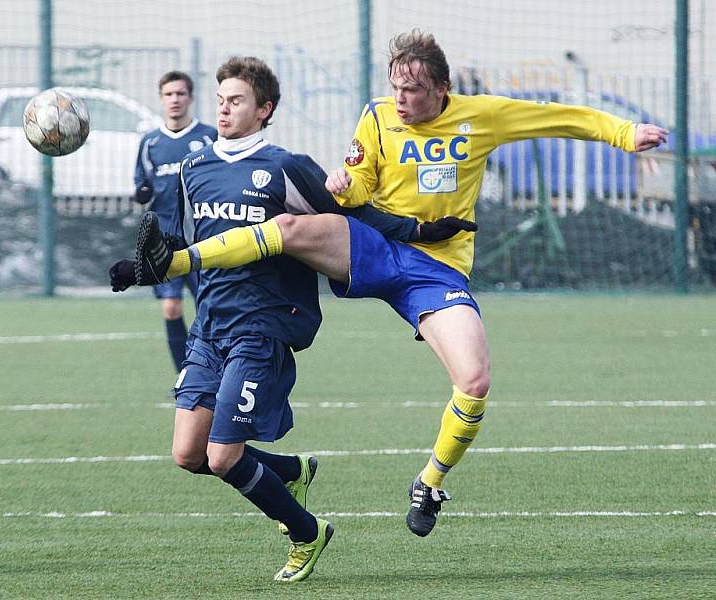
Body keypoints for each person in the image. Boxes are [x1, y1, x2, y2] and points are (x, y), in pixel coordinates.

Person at [128, 30, 669, 539]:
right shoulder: (378, 117)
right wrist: (344, 181)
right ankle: (175, 266)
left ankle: (430, 483)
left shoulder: (482, 116)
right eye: (395, 88)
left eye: (413, 90)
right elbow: (359, 182)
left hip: (434, 270)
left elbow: (559, 119)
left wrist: (625, 134)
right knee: (290, 227)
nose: (401, 99)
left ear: (441, 89)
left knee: (474, 380)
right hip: (373, 245)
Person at [110, 56, 472, 580]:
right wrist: (140, 267)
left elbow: (352, 216)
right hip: (210, 323)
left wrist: (417, 231)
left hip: (264, 323)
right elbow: (182, 244)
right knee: (189, 454)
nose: (225, 109)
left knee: (223, 457)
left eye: (236, 101)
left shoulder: (285, 166)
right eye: (221, 100)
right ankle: (292, 471)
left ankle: (307, 533)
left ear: (265, 110)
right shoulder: (195, 168)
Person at [132, 70, 216, 374]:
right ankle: (185, 375)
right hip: (164, 240)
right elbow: (141, 185)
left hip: (202, 238)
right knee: (171, 307)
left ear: (190, 98)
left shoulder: (208, 137)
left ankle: (215, 369)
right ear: (161, 99)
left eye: (180, 93)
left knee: (210, 310)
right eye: (169, 94)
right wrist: (141, 193)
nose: (175, 100)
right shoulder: (150, 142)